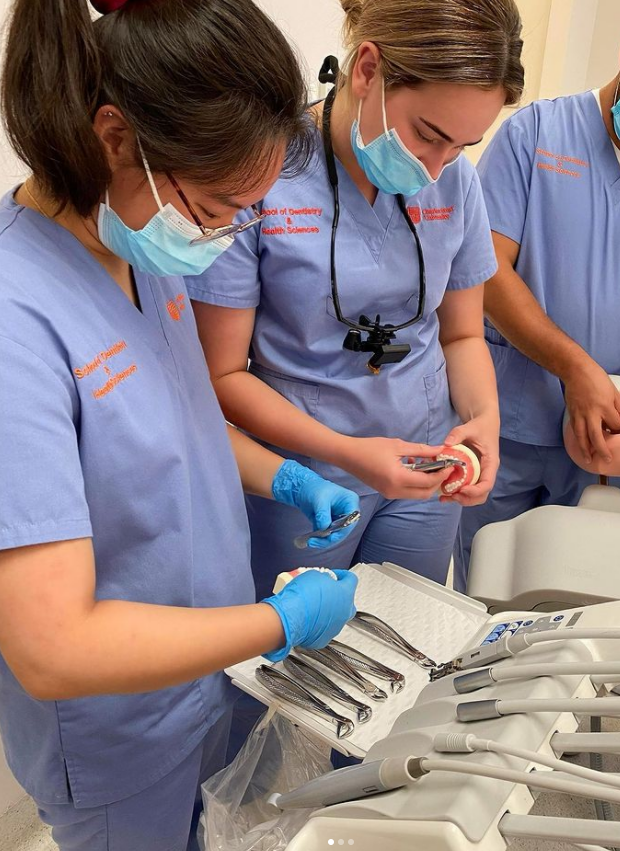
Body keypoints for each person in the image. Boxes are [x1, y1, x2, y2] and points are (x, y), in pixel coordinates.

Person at [0, 1, 360, 849]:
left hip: (205, 679)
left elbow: (183, 429)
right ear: (116, 137)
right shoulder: (18, 318)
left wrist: (286, 476)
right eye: (214, 208)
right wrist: (282, 624)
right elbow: (52, 647)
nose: (225, 240)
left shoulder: (141, 247)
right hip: (118, 732)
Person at [187, 0, 525, 598]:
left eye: (462, 145)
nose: (435, 167)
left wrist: (483, 419)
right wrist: (347, 453)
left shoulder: (455, 179)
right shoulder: (266, 171)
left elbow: (462, 334)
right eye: (428, 134)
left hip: (428, 465)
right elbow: (220, 375)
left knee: (401, 645)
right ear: (367, 69)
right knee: (289, 667)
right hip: (302, 477)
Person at [456, 0, 620, 591]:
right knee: (488, 600)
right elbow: (486, 272)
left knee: (576, 611)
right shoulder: (534, 134)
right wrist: (575, 367)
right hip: (510, 419)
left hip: (612, 434)